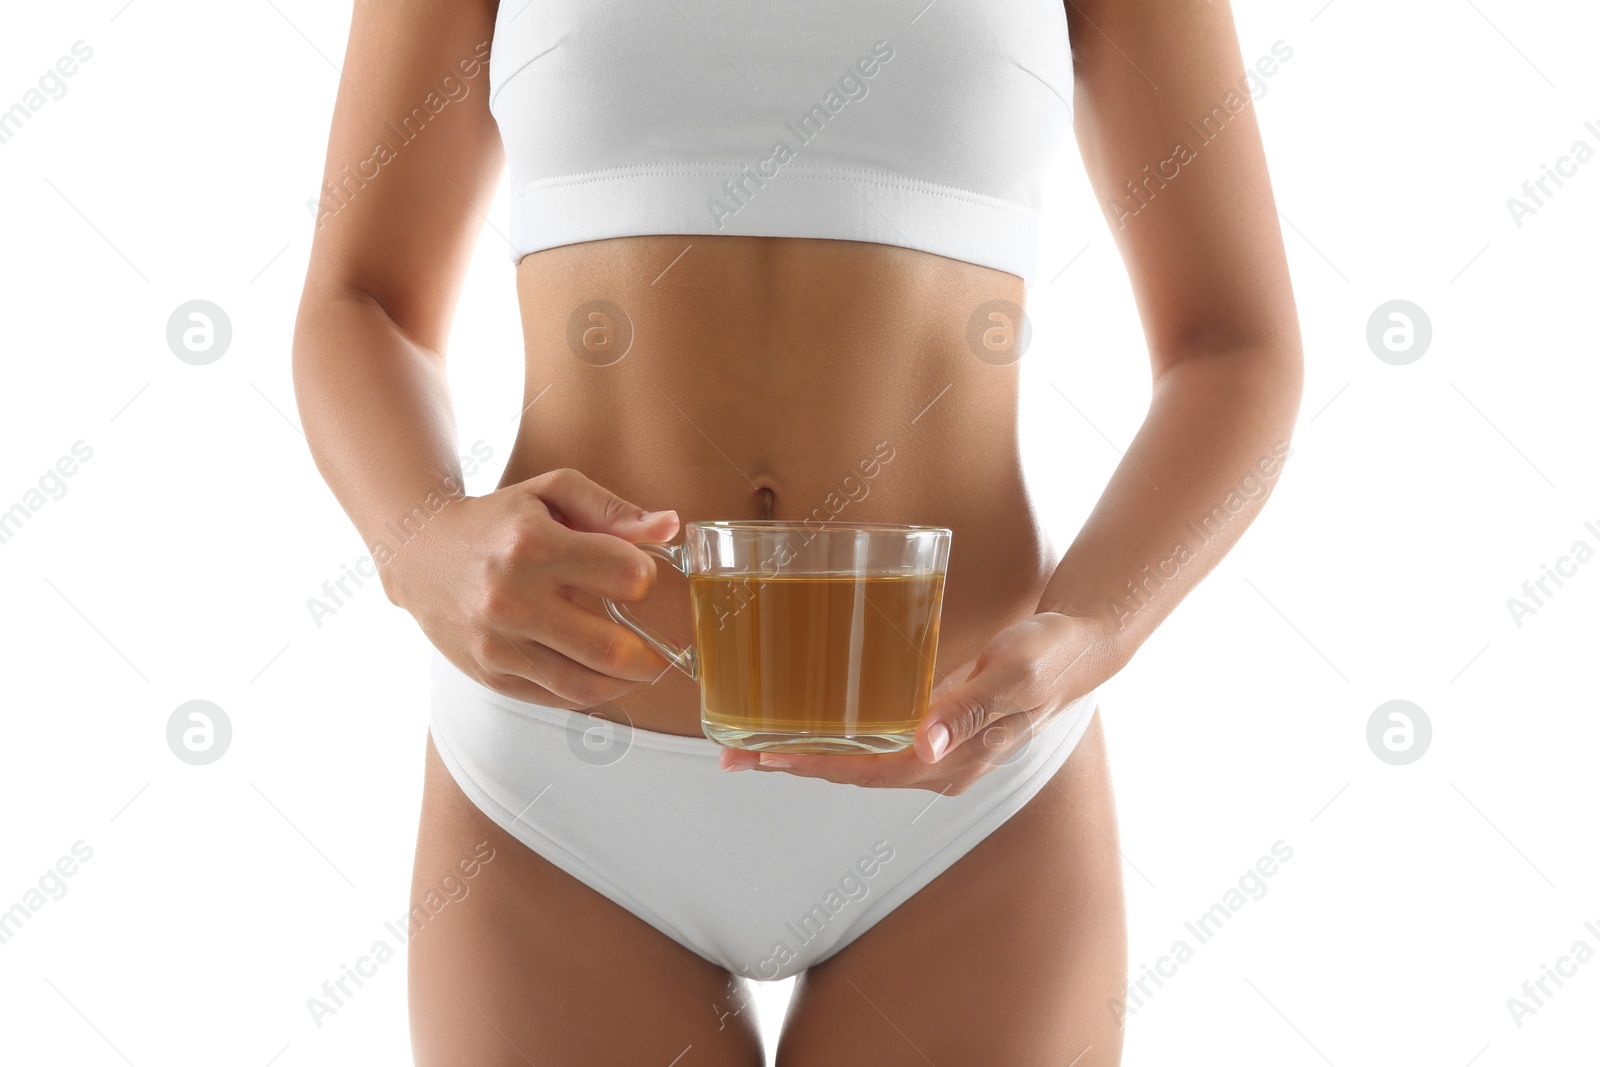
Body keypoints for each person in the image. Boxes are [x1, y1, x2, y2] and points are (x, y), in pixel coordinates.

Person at [292, 0, 1302, 1062]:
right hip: (558, 787)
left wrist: (1090, 633)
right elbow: (359, 298)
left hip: (969, 794)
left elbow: (1234, 346)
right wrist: (418, 541)